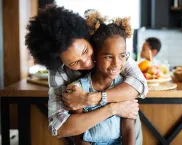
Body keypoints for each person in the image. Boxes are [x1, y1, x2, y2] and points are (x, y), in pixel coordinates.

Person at [25, 5, 148, 145]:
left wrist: (92, 99)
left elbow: (140, 84)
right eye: (74, 62)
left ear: (86, 37)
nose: (86, 62)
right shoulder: (58, 72)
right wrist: (113, 108)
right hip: (89, 134)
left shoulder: (107, 46)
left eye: (85, 51)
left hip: (124, 131)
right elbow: (58, 127)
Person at [69, 11, 135, 145]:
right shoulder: (79, 89)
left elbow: (128, 128)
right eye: (108, 57)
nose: (116, 64)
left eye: (122, 56)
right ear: (95, 56)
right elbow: (79, 135)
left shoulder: (124, 87)